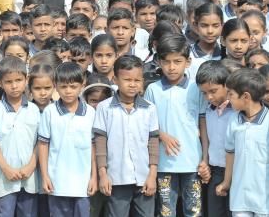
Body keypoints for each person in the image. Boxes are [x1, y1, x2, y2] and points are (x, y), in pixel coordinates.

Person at [143, 34, 205, 217]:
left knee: (194, 211)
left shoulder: (196, 88)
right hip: (164, 164)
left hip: (192, 162)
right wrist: (162, 135)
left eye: (177, 61)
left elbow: (203, 124)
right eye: (166, 62)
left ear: (188, 62)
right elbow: (146, 124)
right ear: (159, 62)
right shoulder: (152, 89)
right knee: (166, 211)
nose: (171, 67)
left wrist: (205, 158)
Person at [0, 55, 40, 216]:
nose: (14, 86)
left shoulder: (34, 109)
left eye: (18, 80)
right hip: (3, 177)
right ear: (1, 83)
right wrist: (6, 169)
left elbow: (40, 142)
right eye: (8, 82)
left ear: (26, 80)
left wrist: (30, 167)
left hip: (29, 177)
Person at [93, 55, 159, 217]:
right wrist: (103, 175)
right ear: (115, 79)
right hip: (116, 177)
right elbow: (100, 144)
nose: (132, 84)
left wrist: (152, 175)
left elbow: (153, 144)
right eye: (127, 80)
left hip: (144, 177)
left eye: (137, 80)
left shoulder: (149, 108)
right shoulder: (104, 108)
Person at [216, 68, 269, 216]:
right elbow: (230, 153)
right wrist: (226, 182)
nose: (228, 98)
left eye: (231, 94)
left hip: (267, 197)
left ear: (245, 96)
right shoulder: (233, 119)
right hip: (240, 195)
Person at [38, 62, 96, 217]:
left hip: (83, 184)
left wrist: (94, 177)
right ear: (55, 86)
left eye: (73, 86)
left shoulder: (90, 113)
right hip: (57, 183)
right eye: (63, 86)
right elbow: (43, 145)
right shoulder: (50, 112)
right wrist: (45, 176)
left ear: (82, 85)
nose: (68, 91)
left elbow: (93, 147)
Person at [195, 60, 232, 217]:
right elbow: (208, 140)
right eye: (204, 93)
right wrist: (205, 161)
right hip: (215, 171)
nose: (209, 97)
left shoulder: (237, 112)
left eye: (213, 91)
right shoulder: (209, 111)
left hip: (236, 172)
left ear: (227, 85)